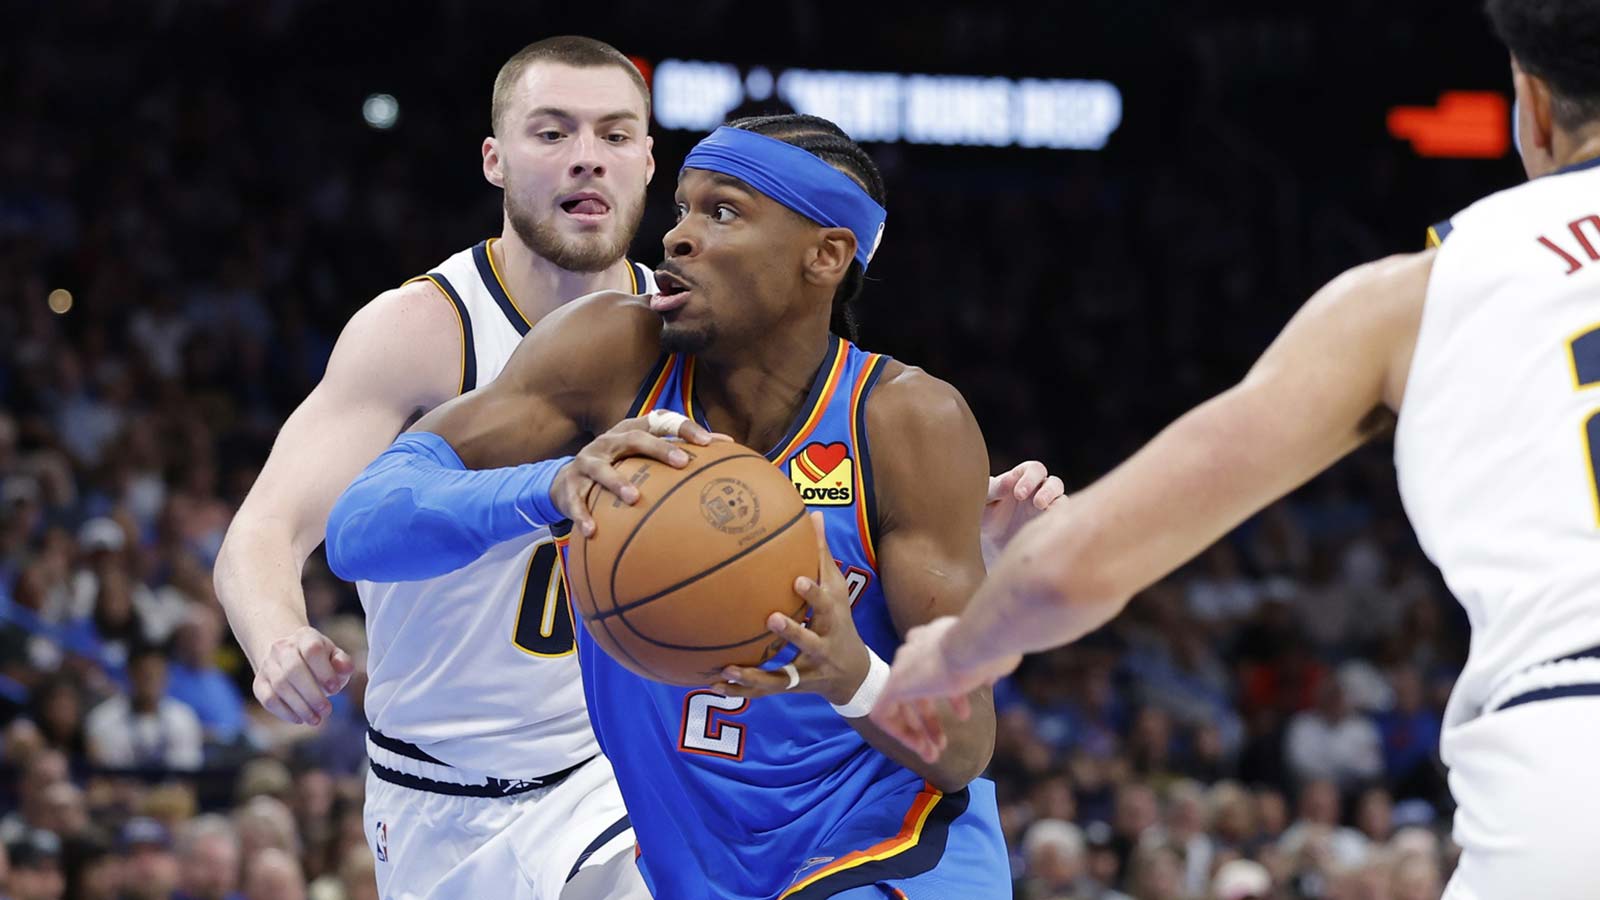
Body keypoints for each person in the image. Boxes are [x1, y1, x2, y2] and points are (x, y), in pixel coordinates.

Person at [872, 1, 1600, 895]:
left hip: (1571, 748)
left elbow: (1078, 566)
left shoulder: (1421, 292)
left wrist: (951, 658)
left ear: (1530, 105)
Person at [324, 113, 1064, 898]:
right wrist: (548, 485)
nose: (675, 238)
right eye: (680, 209)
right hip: (694, 867)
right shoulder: (611, 356)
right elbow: (360, 526)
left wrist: (853, 677)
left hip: (891, 846)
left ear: (826, 254)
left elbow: (965, 744)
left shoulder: (905, 422)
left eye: (722, 212)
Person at [212, 36, 660, 899]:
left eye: (613, 135)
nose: (585, 159)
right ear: (494, 159)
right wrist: (276, 638)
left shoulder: (689, 330)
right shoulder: (422, 328)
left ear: (647, 158)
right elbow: (264, 531)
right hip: (437, 796)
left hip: (618, 776)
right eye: (552, 132)